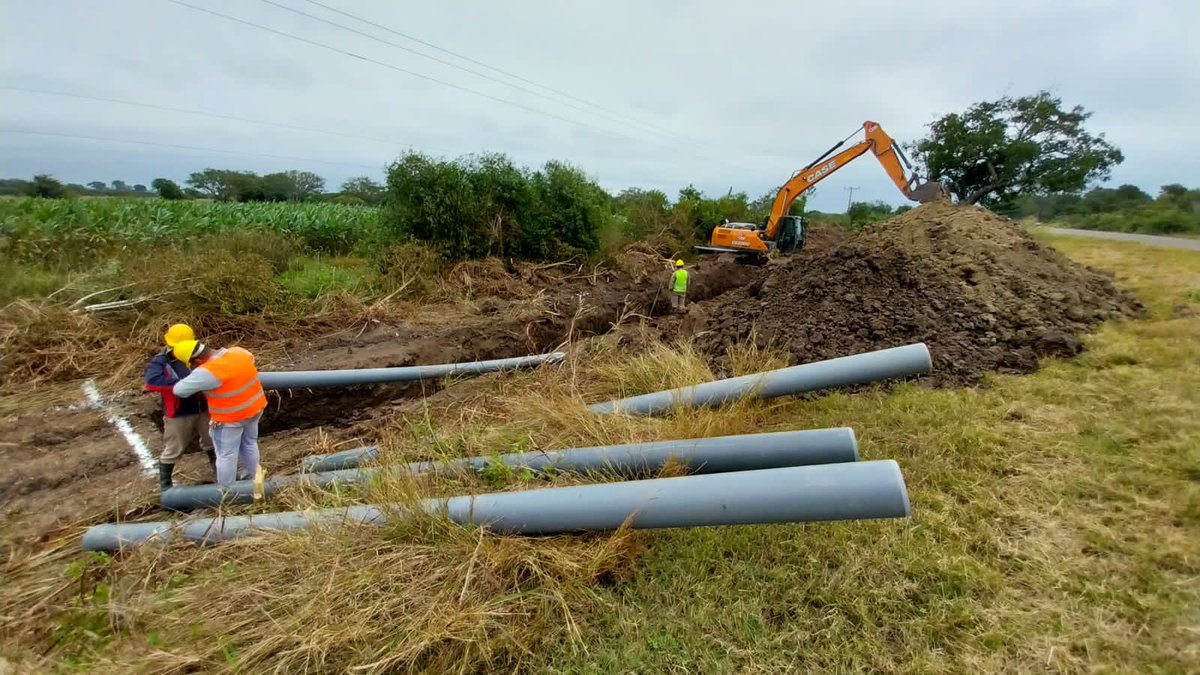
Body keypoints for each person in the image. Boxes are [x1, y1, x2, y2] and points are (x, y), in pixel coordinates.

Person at [171, 340, 266, 486]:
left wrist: (196, 375)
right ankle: (254, 480)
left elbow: (179, 390)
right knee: (250, 443)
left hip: (230, 419)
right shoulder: (239, 352)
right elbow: (250, 360)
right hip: (255, 408)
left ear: (197, 360)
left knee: (226, 455)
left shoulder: (207, 372)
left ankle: (227, 492)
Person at [143, 323, 215, 491]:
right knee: (174, 449)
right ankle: (166, 489)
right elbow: (151, 382)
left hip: (203, 408)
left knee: (212, 442)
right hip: (179, 413)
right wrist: (183, 385)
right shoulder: (161, 361)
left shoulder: (195, 355)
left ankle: (221, 476)